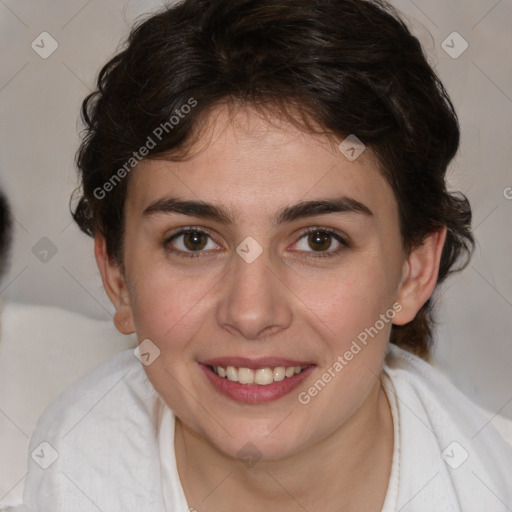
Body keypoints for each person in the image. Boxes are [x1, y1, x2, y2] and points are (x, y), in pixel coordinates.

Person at [20, 0, 512, 510]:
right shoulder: (58, 474)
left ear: (413, 273)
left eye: (320, 240)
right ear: (117, 274)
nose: (251, 313)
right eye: (193, 240)